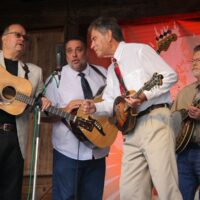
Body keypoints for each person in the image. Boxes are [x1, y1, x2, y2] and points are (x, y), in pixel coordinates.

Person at [81, 17, 183, 200]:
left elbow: (168, 75)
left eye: (94, 38)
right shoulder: (112, 70)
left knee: (166, 187)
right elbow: (111, 102)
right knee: (130, 192)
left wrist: (143, 95)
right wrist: (94, 107)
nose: (92, 44)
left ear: (109, 34)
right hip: (131, 130)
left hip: (155, 121)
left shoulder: (138, 50)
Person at [45, 36, 108, 200]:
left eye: (78, 50)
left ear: (86, 52)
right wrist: (65, 109)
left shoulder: (103, 74)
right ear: (65, 55)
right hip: (67, 152)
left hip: (97, 151)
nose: (74, 55)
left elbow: (114, 105)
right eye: (69, 51)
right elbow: (45, 116)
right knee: (66, 197)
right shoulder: (56, 79)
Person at [0, 23, 51, 200]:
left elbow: (42, 110)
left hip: (15, 139)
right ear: (4, 38)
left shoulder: (34, 72)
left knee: (11, 192)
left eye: (25, 37)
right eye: (18, 35)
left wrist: (43, 102)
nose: (22, 39)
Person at [171, 44, 200, 200]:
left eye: (199, 60)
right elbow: (172, 123)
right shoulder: (185, 92)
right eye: (193, 60)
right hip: (184, 153)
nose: (195, 63)